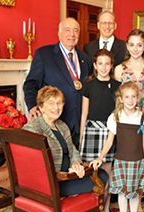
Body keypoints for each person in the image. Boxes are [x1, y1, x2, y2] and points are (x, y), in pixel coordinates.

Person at [23, 86, 108, 197]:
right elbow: (33, 163)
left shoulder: (62, 125)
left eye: (59, 103)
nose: (56, 107)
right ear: (41, 107)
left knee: (101, 174)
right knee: (100, 178)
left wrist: (76, 164)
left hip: (68, 173)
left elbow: (73, 150)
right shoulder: (33, 128)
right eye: (51, 103)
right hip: (53, 182)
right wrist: (64, 174)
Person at [114, 29, 144, 212]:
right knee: (129, 158)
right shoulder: (120, 69)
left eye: (139, 45)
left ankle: (138, 201)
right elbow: (118, 99)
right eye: (131, 44)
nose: (135, 48)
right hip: (128, 120)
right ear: (127, 46)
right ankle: (126, 196)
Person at [23, 17, 92, 149]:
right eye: (67, 30)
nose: (72, 34)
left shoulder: (85, 59)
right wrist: (32, 106)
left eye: (76, 30)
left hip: (79, 123)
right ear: (59, 33)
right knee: (54, 163)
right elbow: (31, 83)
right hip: (54, 121)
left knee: (75, 162)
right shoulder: (44, 54)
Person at [90, 81, 144, 212]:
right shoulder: (115, 117)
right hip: (121, 161)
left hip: (138, 161)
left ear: (137, 98)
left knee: (135, 193)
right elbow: (109, 141)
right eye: (127, 97)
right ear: (121, 99)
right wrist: (100, 157)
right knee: (123, 193)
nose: (130, 100)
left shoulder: (143, 118)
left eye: (133, 97)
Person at [79, 49, 120, 212]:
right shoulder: (88, 86)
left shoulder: (117, 86)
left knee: (106, 173)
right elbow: (84, 114)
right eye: (100, 64)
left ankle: (106, 208)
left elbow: (118, 113)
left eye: (107, 64)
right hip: (91, 131)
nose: (104, 67)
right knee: (90, 172)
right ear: (95, 65)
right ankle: (90, 208)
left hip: (109, 132)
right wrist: (81, 137)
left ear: (111, 66)